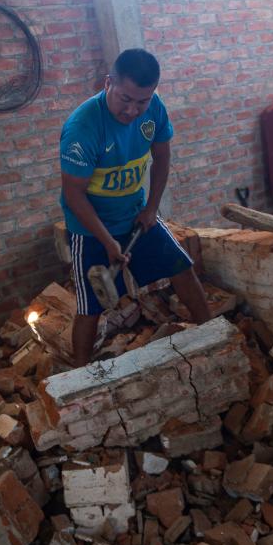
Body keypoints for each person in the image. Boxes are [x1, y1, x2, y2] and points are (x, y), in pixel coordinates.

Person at [60, 48, 211, 367]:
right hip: (89, 227)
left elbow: (163, 158)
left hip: (136, 215)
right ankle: (82, 376)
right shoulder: (82, 128)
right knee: (89, 306)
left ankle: (214, 334)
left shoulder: (154, 109)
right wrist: (106, 240)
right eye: (125, 99)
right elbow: (74, 195)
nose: (132, 110)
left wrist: (152, 208)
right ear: (108, 84)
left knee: (181, 266)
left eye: (141, 102)